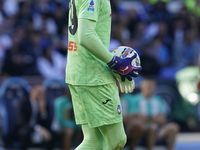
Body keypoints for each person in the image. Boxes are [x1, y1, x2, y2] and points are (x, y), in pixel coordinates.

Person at [65, 0, 141, 149]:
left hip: (79, 71)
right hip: (94, 76)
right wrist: (115, 62)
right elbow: (86, 35)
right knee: (116, 140)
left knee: (94, 141)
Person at [122, 78, 179, 150]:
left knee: (173, 127)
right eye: (148, 87)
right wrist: (153, 118)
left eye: (152, 87)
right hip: (143, 128)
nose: (150, 89)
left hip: (158, 128)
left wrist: (148, 118)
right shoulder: (134, 100)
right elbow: (135, 116)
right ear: (142, 88)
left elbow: (162, 119)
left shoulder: (159, 100)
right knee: (151, 127)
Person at [54, 86, 76, 150]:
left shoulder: (77, 101)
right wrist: (73, 126)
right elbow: (60, 119)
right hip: (59, 126)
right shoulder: (60, 101)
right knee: (69, 132)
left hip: (75, 126)